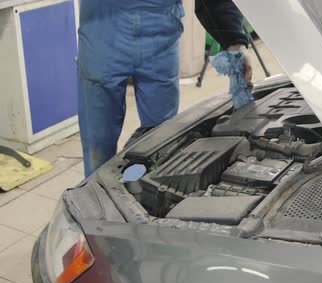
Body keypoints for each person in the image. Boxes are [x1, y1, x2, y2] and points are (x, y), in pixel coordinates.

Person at [78, 0, 251, 177]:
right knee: (98, 147)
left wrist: (233, 42)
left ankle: (145, 196)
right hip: (102, 35)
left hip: (160, 41)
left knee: (161, 145)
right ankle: (92, 196)